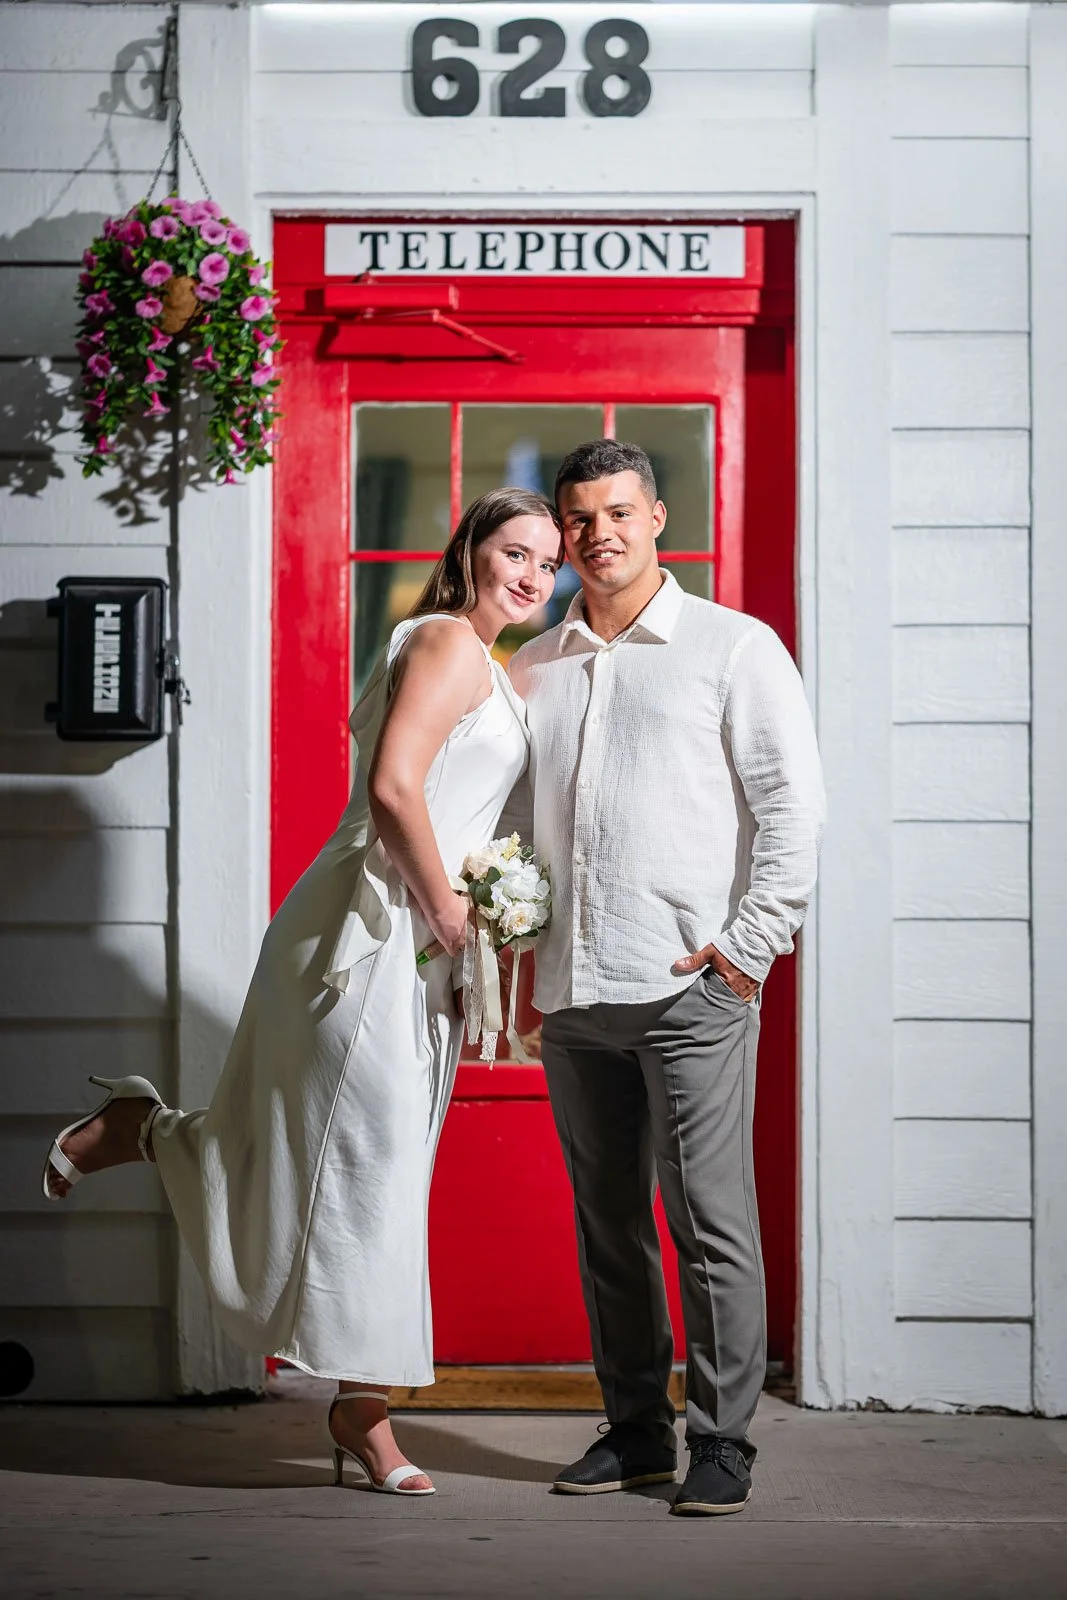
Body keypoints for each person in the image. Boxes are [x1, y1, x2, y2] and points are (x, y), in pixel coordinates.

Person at [41, 488, 562, 1499]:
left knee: (381, 1172)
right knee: (364, 1167)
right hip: (369, 931)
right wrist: (452, 911)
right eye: (515, 551)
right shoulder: (451, 643)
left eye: (548, 561)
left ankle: (147, 1132)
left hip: (419, 938)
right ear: (471, 551)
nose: (534, 575)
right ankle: (362, 1414)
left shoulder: (486, 663)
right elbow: (394, 789)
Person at [508, 440, 825, 1516]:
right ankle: (636, 1431)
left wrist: (744, 952)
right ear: (562, 530)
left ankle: (722, 1440)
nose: (598, 533)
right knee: (607, 1223)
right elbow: (514, 830)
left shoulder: (733, 649)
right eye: (579, 516)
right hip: (572, 993)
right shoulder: (536, 667)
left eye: (618, 512)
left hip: (690, 988)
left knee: (707, 1220)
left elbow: (792, 813)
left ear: (657, 518)